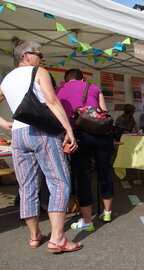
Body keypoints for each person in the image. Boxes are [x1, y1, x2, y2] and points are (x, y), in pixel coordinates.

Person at [0, 40, 81, 252]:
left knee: (27, 186)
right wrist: (69, 130)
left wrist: (5, 123)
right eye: (39, 54)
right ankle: (58, 239)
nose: (42, 58)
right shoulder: (39, 71)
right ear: (26, 55)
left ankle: (35, 236)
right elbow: (52, 102)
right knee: (59, 182)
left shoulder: (7, 79)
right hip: (42, 132)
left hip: (18, 135)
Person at [56, 68, 114, 231]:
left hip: (78, 135)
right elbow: (103, 111)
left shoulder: (59, 90)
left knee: (83, 176)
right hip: (102, 134)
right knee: (105, 171)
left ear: (66, 80)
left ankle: (88, 221)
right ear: (82, 79)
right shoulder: (93, 87)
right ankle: (107, 212)